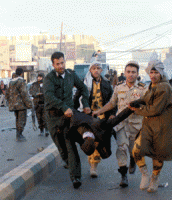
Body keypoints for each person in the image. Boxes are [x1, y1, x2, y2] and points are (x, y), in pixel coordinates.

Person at [93, 60, 147, 187]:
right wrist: (98, 111)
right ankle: (123, 176)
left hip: (136, 125)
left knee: (134, 150)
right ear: (125, 72)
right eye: (128, 72)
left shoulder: (143, 88)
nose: (131, 74)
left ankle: (133, 160)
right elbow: (112, 103)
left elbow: (148, 105)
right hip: (121, 124)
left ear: (137, 74)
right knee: (121, 148)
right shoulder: (119, 87)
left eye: (133, 72)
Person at [44, 52, 91, 189]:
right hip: (53, 117)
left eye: (62, 63)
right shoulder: (49, 78)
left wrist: (86, 104)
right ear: (53, 65)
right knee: (61, 147)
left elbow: (83, 88)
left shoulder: (71, 75)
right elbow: (49, 97)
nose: (61, 66)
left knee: (70, 145)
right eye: (57, 64)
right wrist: (63, 107)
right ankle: (69, 163)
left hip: (69, 117)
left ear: (65, 62)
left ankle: (75, 177)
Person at [129, 60, 172, 193]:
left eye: (156, 72)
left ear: (161, 73)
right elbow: (146, 99)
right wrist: (137, 102)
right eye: (151, 72)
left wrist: (136, 110)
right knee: (136, 150)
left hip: (162, 126)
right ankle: (145, 174)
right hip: (150, 125)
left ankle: (154, 178)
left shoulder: (163, 87)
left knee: (158, 155)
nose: (153, 75)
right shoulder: (153, 85)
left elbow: (154, 109)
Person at [74, 61, 115, 178]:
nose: (96, 70)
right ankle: (93, 166)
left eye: (98, 68)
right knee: (90, 140)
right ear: (90, 70)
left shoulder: (107, 84)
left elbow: (113, 102)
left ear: (101, 70)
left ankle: (93, 165)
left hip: (102, 118)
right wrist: (75, 112)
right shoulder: (84, 84)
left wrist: (112, 114)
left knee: (99, 142)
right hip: (88, 117)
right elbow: (76, 98)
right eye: (93, 68)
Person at [5, 68, 32, 141]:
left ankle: (18, 134)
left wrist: (10, 102)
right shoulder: (21, 81)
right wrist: (29, 104)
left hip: (13, 105)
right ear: (22, 73)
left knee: (17, 119)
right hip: (21, 105)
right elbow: (24, 94)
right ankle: (19, 135)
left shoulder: (10, 82)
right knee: (22, 120)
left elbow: (6, 94)